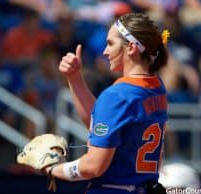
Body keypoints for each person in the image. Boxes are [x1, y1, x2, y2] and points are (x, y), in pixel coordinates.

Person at [45, 12, 169, 194]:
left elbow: (93, 167)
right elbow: (103, 125)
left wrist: (53, 168)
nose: (105, 51)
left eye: (110, 43)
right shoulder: (157, 87)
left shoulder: (117, 95)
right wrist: (75, 79)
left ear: (132, 48)